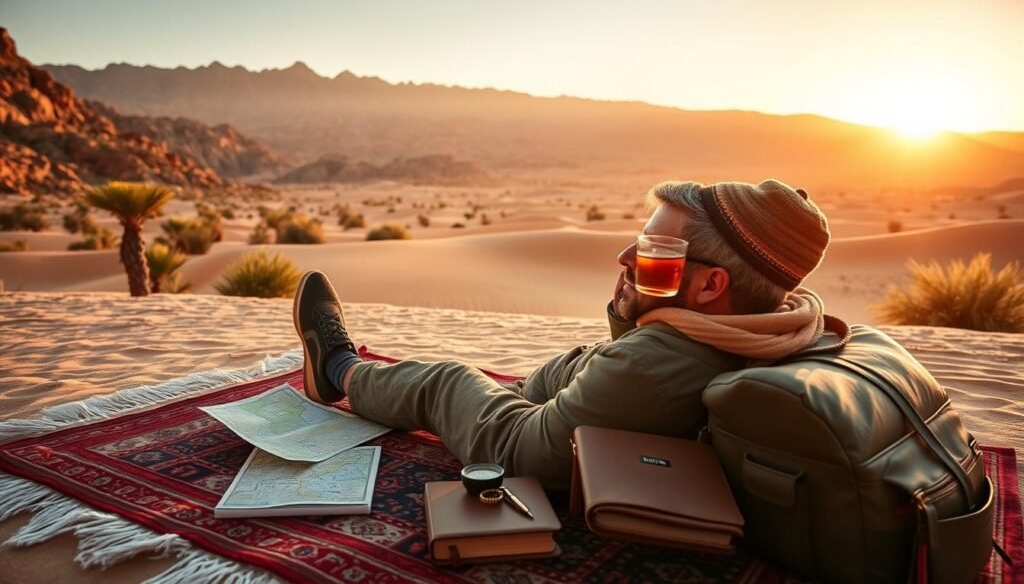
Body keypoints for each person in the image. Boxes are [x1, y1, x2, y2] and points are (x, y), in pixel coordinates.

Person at [293, 179, 839, 489]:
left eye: (651, 252)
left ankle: (338, 370)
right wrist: (642, 300)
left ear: (710, 286)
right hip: (597, 392)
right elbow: (618, 367)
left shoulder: (658, 363)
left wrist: (450, 387)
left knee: (449, 382)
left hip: (544, 460)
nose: (624, 257)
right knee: (524, 385)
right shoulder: (779, 325)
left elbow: (515, 450)